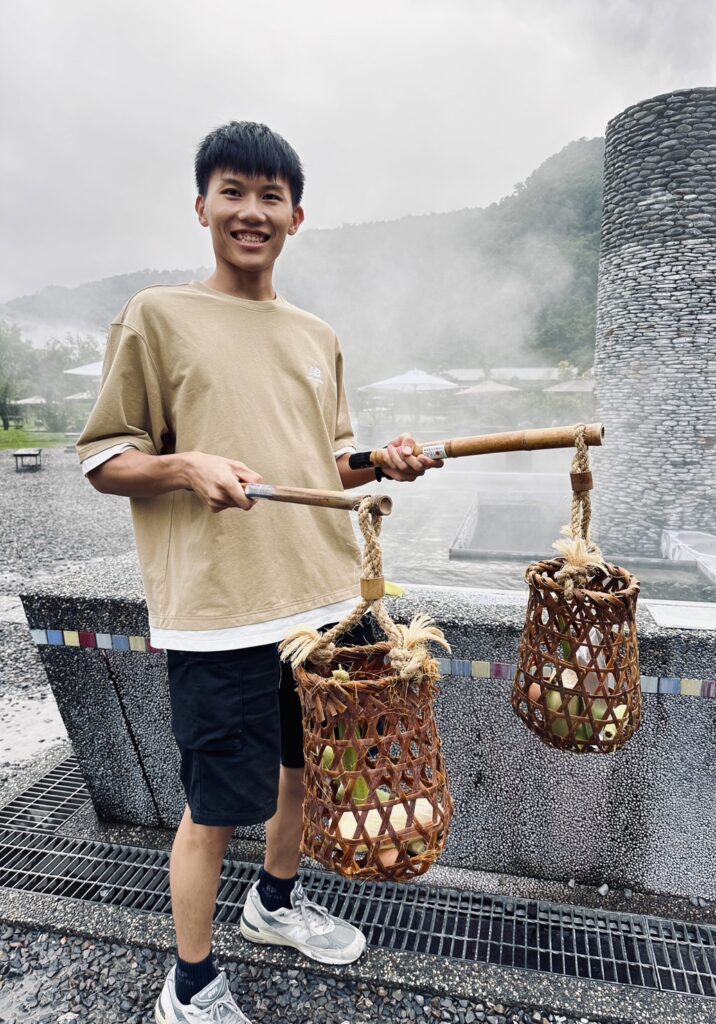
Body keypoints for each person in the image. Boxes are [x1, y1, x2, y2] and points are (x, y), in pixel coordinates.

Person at [76, 121, 443, 1024]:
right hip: (220, 614)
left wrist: (382, 463)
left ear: (297, 216)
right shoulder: (157, 316)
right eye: (232, 192)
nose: (252, 211)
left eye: (270, 196)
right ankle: (190, 982)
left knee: (305, 776)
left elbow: (329, 465)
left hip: (319, 605)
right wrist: (183, 464)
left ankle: (274, 906)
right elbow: (103, 457)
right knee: (213, 809)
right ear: (201, 207)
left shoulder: (317, 334)